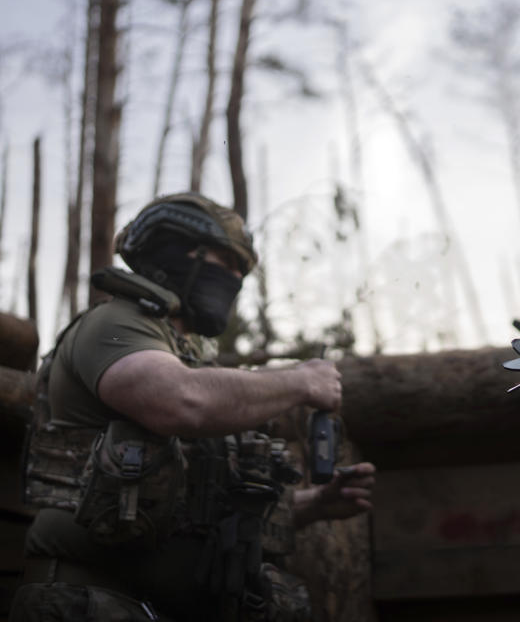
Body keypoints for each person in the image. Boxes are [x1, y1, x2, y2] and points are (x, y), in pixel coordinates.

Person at [12, 193, 375, 621]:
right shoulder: (114, 323)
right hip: (89, 600)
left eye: (242, 269)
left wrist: (315, 504)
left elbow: (195, 509)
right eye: (227, 260)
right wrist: (299, 380)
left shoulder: (188, 356)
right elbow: (181, 401)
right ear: (173, 250)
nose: (236, 277)